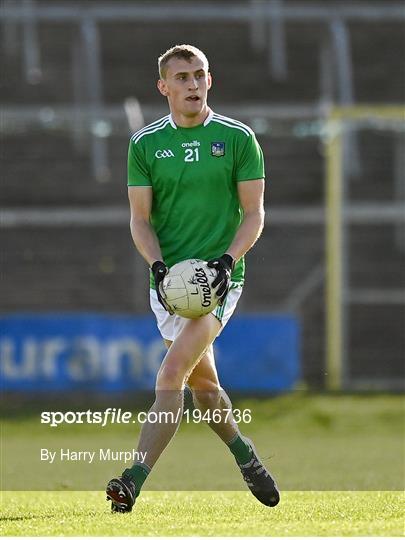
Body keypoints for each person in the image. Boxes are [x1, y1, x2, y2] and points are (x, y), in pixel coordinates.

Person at [106, 44, 279, 512]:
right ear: (163, 87)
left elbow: (254, 214)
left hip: (217, 281)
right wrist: (159, 269)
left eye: (199, 75)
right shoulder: (144, 144)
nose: (192, 84)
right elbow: (140, 221)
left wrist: (226, 262)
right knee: (205, 390)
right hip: (169, 286)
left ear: (210, 80)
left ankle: (132, 480)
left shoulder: (238, 138)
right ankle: (246, 457)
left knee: (171, 373)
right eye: (181, 77)